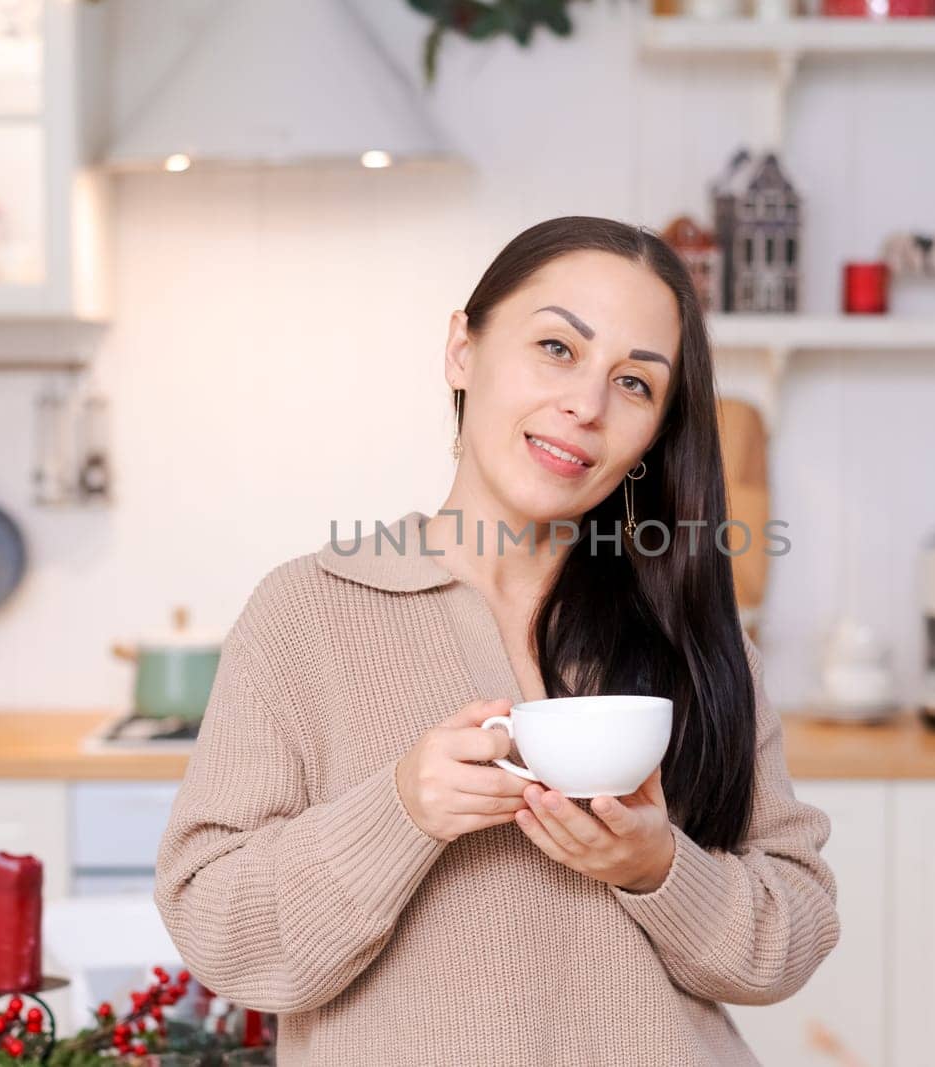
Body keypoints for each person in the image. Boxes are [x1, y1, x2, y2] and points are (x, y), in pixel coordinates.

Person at [154, 215, 840, 1065]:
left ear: (651, 438)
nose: (585, 405)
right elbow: (220, 933)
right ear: (462, 350)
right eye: (557, 347)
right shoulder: (308, 613)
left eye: (634, 384)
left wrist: (657, 866)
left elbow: (794, 928)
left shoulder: (689, 631)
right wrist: (401, 809)